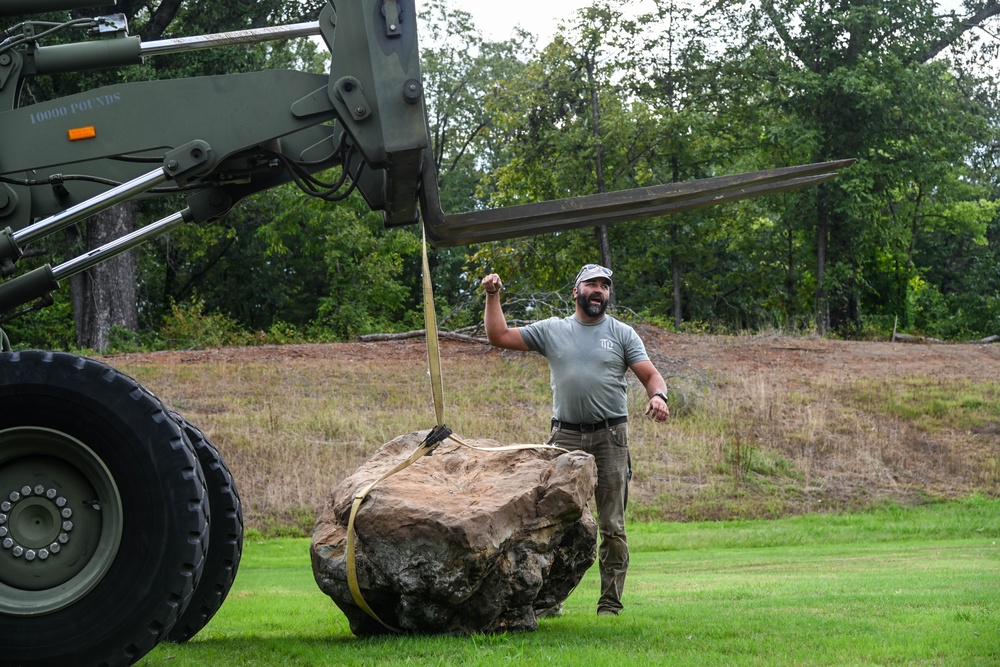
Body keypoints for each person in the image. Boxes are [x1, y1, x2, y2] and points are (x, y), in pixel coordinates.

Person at [481, 263, 669, 617]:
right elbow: (499, 336)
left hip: (610, 437)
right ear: (576, 291)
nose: (599, 290)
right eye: (591, 284)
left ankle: (609, 605)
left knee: (612, 525)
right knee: (553, 524)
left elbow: (651, 375)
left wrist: (659, 396)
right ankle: (548, 603)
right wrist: (493, 295)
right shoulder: (553, 330)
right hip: (564, 437)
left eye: (604, 286)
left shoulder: (622, 334)